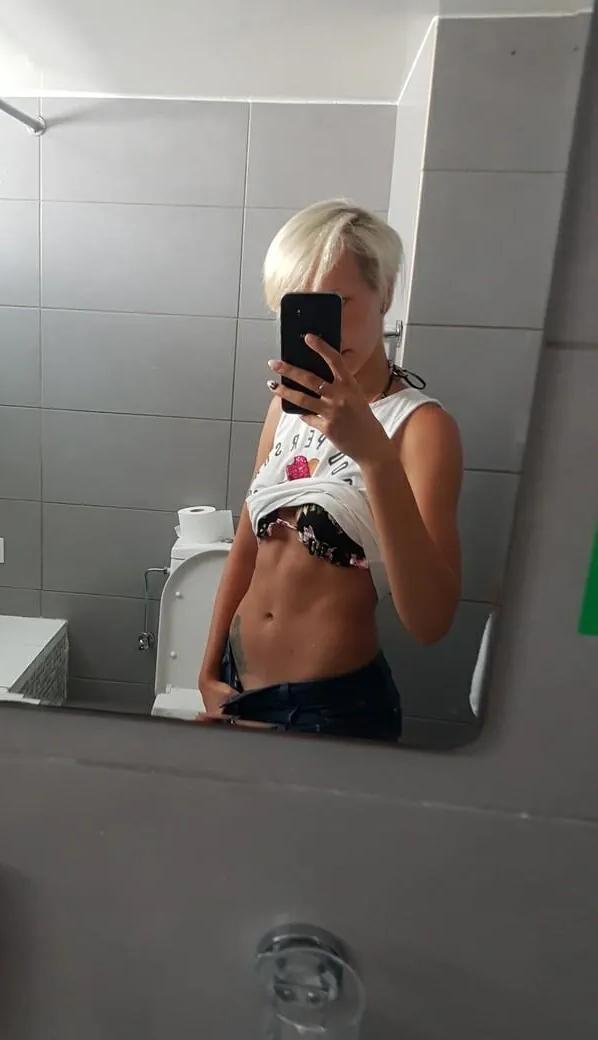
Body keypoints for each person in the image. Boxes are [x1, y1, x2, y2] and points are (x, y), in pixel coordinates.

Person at [197, 200, 463, 739]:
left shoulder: (422, 428)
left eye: (339, 302)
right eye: (301, 307)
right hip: (235, 685)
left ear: (385, 292)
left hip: (330, 713)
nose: (322, 332)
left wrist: (374, 454)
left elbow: (430, 622)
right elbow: (247, 545)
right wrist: (207, 670)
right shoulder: (284, 408)